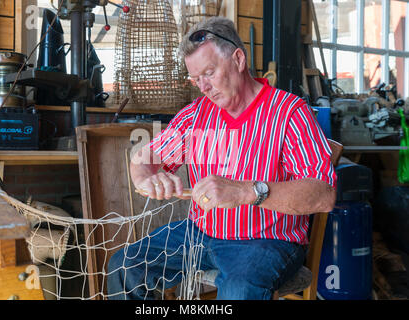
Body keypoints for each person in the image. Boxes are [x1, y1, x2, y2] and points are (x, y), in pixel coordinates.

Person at [107, 16, 336, 300]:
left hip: (266, 241)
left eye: (209, 73)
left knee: (239, 289)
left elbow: (323, 194)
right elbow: (145, 157)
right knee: (124, 266)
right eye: (195, 78)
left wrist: (245, 191)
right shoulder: (196, 114)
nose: (203, 86)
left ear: (238, 60)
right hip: (199, 233)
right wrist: (148, 177)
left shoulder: (289, 112)